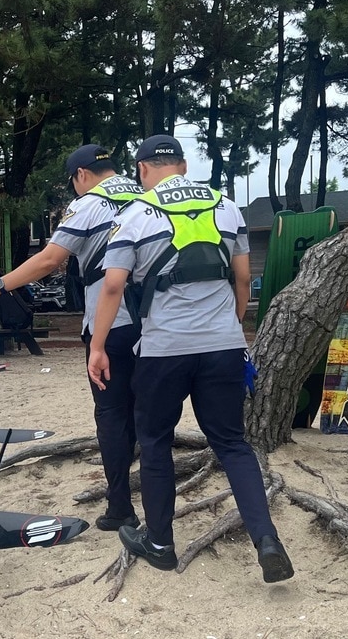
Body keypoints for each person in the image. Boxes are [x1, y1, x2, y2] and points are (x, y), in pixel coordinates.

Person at [88, 135, 293, 583]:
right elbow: (243, 279)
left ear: (143, 170)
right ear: (182, 165)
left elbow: (112, 286)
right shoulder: (227, 206)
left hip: (163, 351)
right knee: (233, 444)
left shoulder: (136, 215)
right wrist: (230, 328)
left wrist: (98, 347)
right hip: (222, 347)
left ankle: (160, 543)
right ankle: (267, 539)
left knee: (156, 441)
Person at [0, 144, 144, 530]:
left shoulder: (89, 204)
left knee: (112, 414)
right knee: (148, 412)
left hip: (112, 323)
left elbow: (50, 259)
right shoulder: (146, 195)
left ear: (80, 175)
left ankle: (120, 508)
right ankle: (159, 509)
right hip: (157, 322)